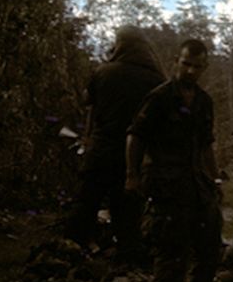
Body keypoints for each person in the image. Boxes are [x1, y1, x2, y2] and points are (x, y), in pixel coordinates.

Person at [125, 39, 223, 282]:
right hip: (165, 182)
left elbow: (206, 145)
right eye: (186, 64)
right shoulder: (160, 97)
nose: (191, 71)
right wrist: (132, 176)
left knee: (209, 242)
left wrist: (215, 178)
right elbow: (135, 137)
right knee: (170, 246)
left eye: (197, 66)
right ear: (176, 62)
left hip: (196, 183)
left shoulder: (204, 101)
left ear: (205, 67)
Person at [64, 26, 165, 258]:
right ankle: (128, 255)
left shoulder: (104, 72)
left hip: (101, 149)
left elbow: (87, 100)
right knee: (127, 208)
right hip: (133, 154)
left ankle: (69, 250)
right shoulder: (156, 79)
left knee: (86, 201)